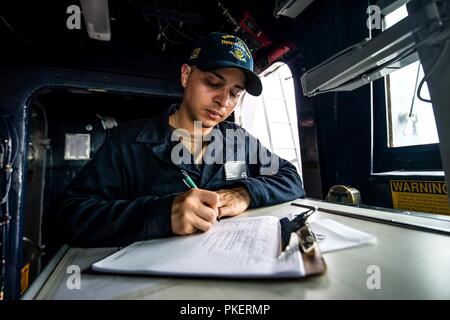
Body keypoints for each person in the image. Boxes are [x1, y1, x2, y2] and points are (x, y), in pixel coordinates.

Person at [53, 32, 305, 247]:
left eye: (235, 93)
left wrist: (246, 193)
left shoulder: (239, 140)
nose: (224, 101)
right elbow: (69, 217)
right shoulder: (128, 142)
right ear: (186, 76)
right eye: (213, 83)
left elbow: (291, 178)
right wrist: (161, 214)